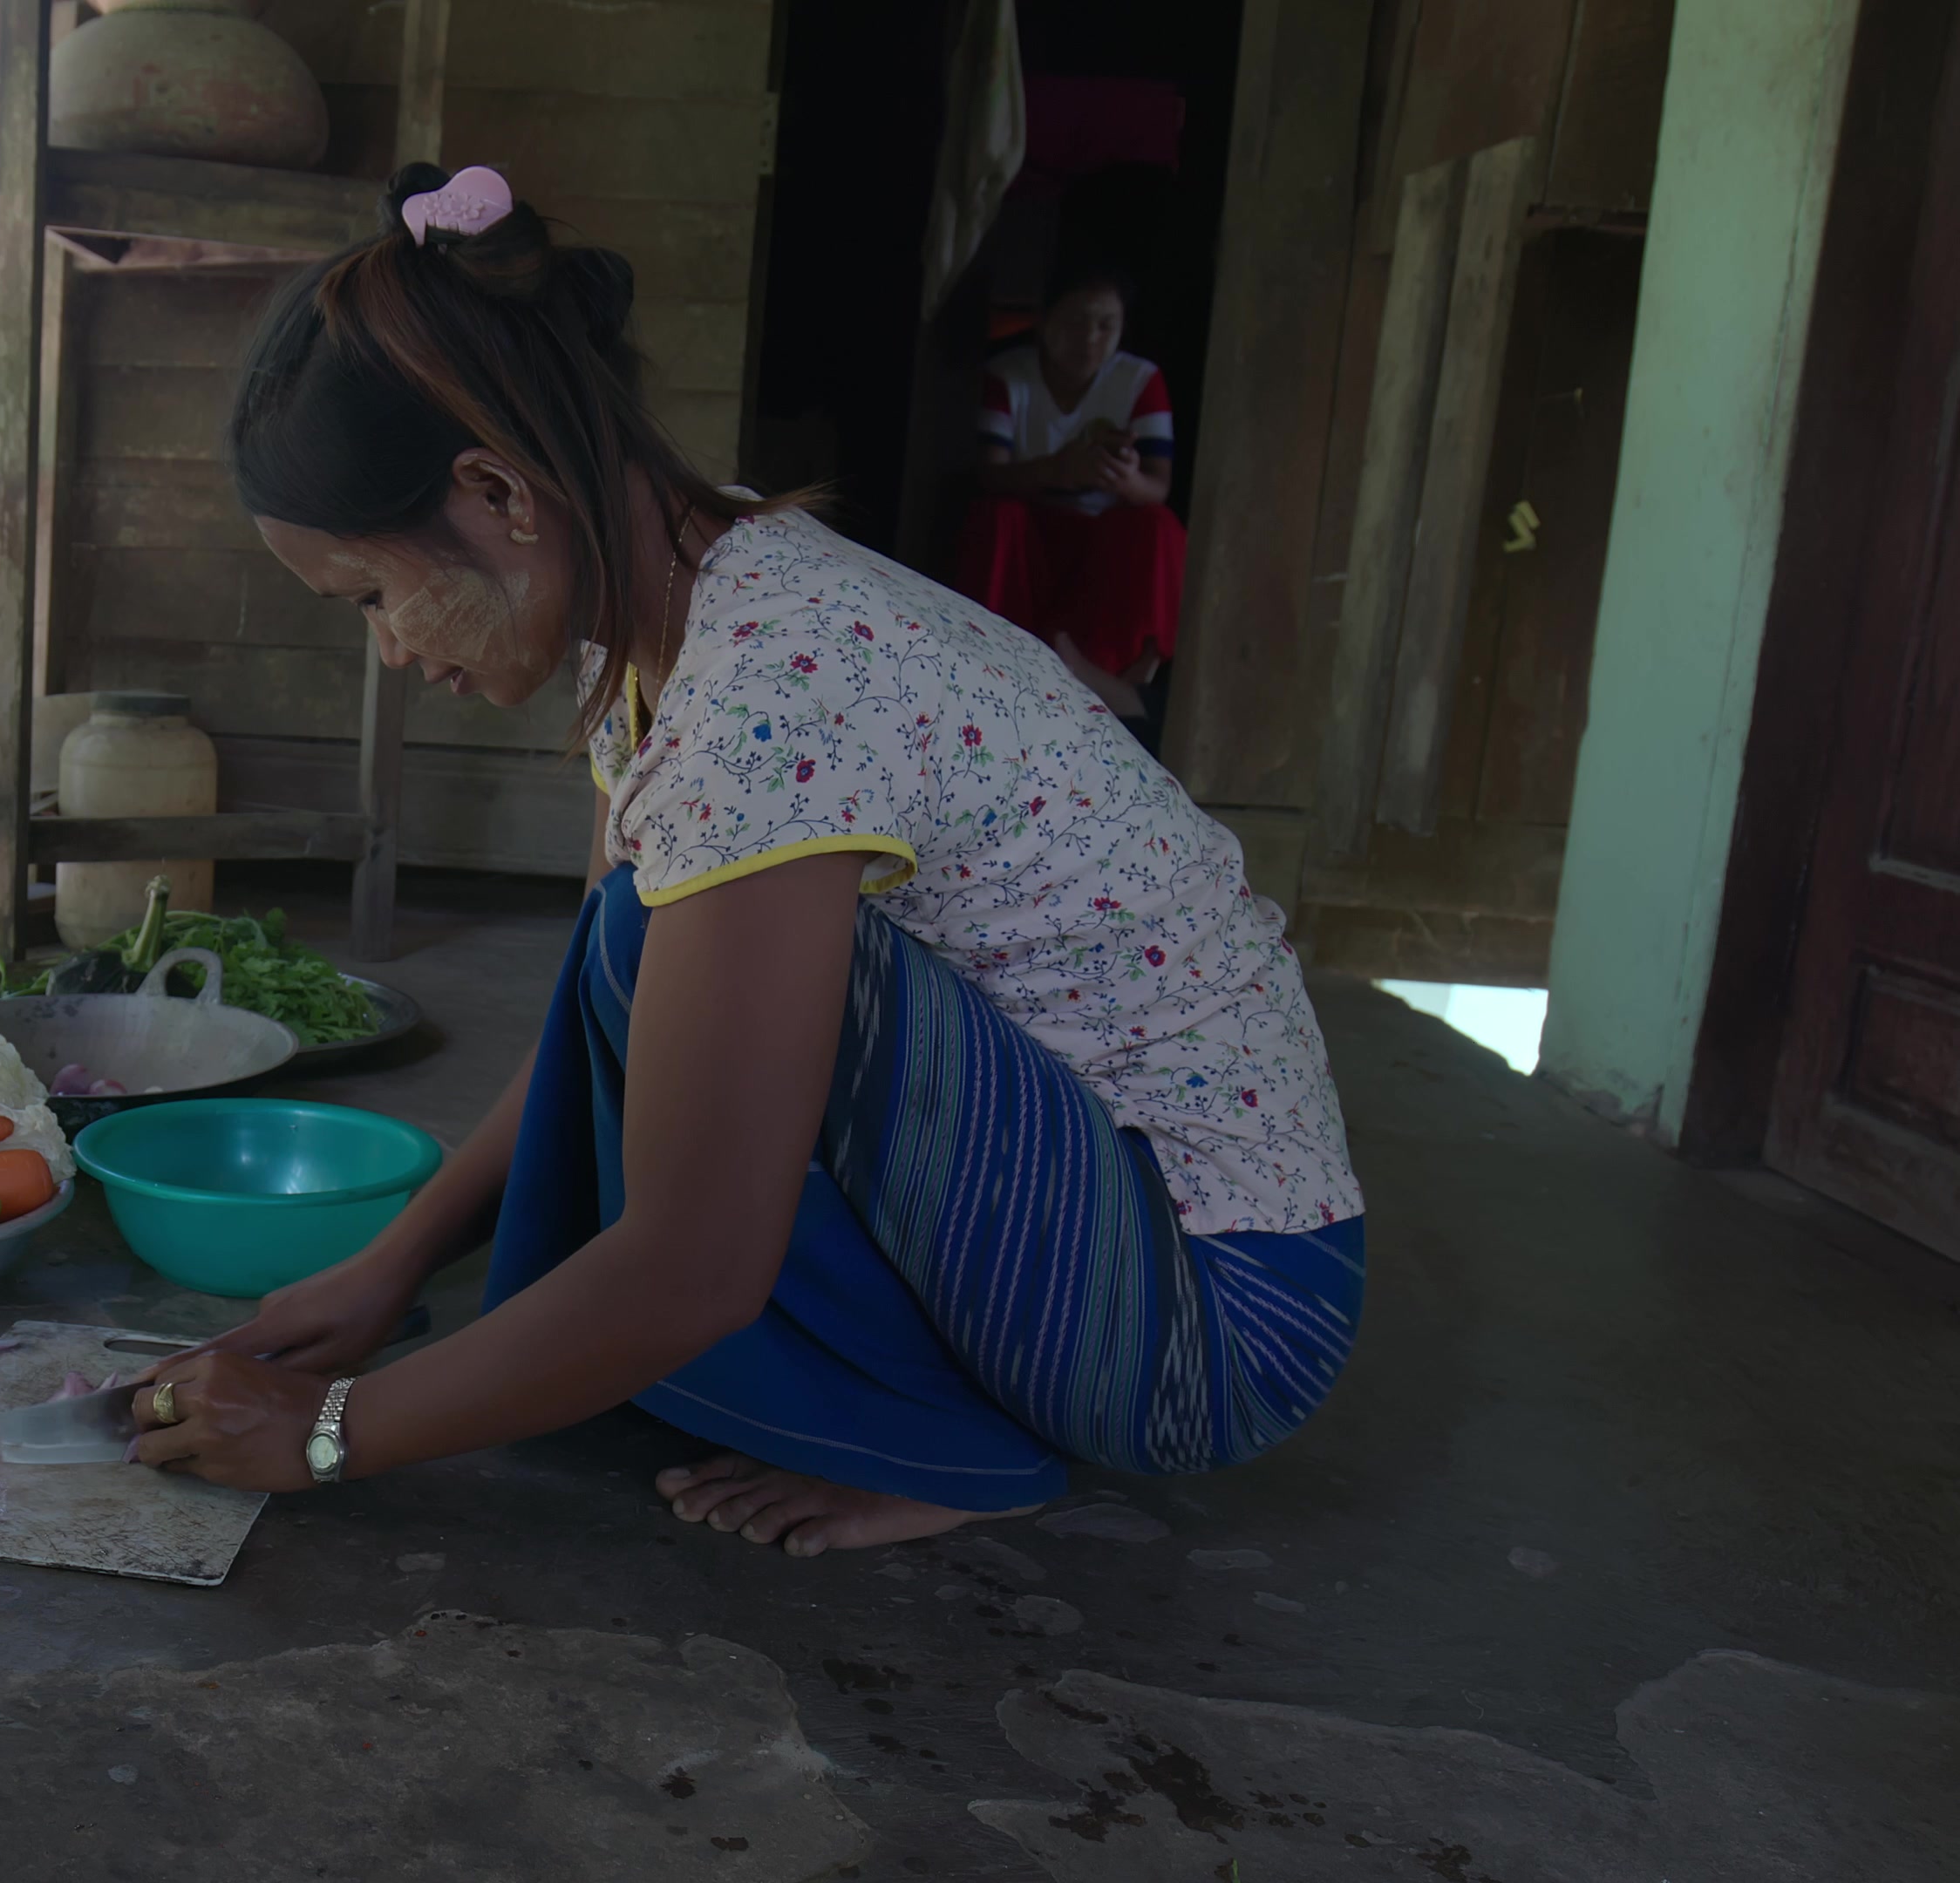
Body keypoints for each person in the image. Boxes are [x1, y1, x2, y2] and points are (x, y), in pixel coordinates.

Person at [122, 164, 1364, 1558]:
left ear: (494, 493)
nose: (396, 650)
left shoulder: (769, 699)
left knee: (671, 948)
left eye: (372, 596)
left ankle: (949, 1444)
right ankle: (887, 1387)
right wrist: (390, 1262)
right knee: (640, 937)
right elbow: (624, 999)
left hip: (1214, 1319)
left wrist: (330, 1433)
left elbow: (698, 1264)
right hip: (1099, 1225)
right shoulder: (680, 600)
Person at [956, 263, 1188, 737]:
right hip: (1037, 529)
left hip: (1102, 533)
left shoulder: (1139, 380)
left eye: (1106, 326)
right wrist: (1059, 469)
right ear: (1045, 321)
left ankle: (1122, 675)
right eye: (1076, 322)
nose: (1090, 339)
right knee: (996, 518)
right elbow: (990, 473)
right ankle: (997, 659)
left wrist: (1121, 478)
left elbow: (1157, 486)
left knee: (1156, 525)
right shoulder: (1010, 376)